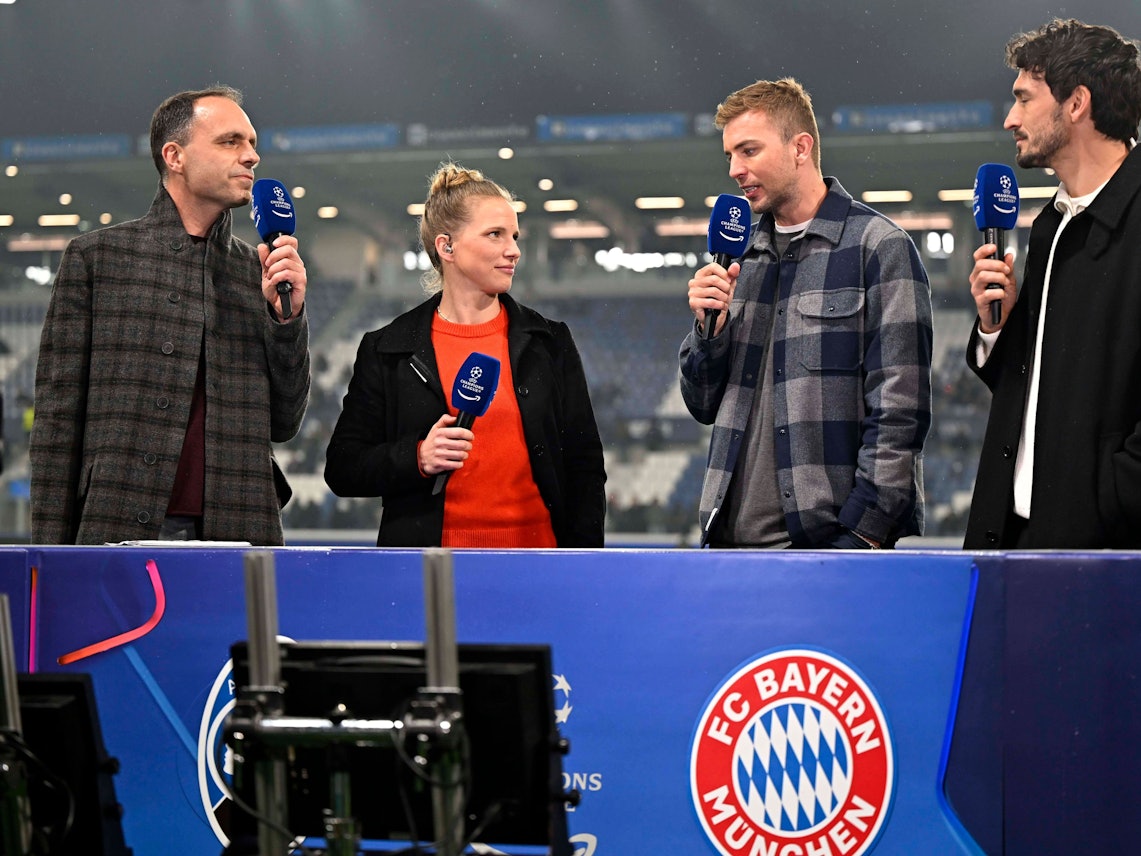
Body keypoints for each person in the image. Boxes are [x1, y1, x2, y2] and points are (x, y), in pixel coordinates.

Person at [30, 85, 310, 545]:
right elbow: (57, 427)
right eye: (230, 141)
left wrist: (288, 319)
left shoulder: (259, 270)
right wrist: (48, 554)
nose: (252, 156)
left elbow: (285, 422)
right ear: (175, 156)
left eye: (253, 143)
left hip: (240, 527)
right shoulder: (97, 258)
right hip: (115, 524)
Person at [680, 78, 933, 549]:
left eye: (749, 151)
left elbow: (900, 412)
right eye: (730, 155)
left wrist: (861, 536)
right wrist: (707, 329)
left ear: (801, 147)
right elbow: (702, 403)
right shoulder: (738, 258)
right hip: (727, 549)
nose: (735, 169)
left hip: (826, 548)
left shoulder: (879, 248)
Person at [324, 163, 606, 547]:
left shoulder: (549, 341)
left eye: (514, 236)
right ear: (446, 246)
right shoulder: (387, 347)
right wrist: (418, 457)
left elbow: (585, 465)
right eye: (495, 235)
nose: (514, 250)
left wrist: (585, 564)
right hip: (430, 569)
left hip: (540, 562)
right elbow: (343, 468)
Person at [964, 19, 1141, 549]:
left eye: (1024, 99)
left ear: (1076, 103)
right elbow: (1039, 388)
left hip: (1103, 548)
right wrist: (998, 328)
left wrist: (1113, 500)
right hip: (1012, 535)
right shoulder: (1051, 225)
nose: (1010, 118)